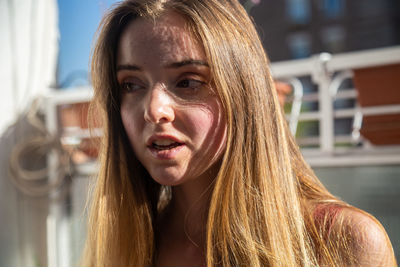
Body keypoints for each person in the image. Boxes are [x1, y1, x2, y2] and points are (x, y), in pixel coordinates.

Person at [83, 0, 397, 266]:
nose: (153, 110)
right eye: (131, 85)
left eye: (188, 81)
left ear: (244, 93)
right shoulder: (124, 246)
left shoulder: (343, 243)